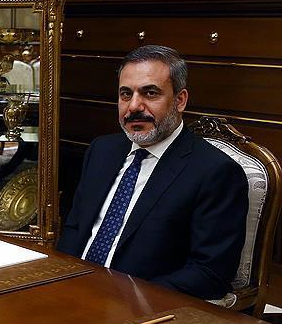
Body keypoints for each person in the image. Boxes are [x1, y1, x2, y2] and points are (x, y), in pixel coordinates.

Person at [57, 45, 248, 300]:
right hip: (70, 290)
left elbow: (210, 274)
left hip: (140, 306)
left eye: (150, 93)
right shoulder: (102, 150)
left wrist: (128, 296)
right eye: (126, 94)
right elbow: (75, 229)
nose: (134, 106)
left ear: (180, 100)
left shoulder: (216, 172)